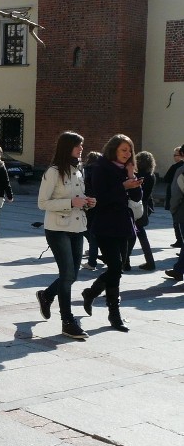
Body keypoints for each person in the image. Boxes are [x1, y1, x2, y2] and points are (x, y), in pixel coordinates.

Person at [35, 132, 96, 339]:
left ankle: (46, 295)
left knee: (72, 275)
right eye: (78, 146)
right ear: (66, 147)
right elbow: (42, 203)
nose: (81, 149)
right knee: (68, 274)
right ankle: (68, 321)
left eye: (82, 145)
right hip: (57, 228)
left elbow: (77, 198)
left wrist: (86, 202)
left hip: (77, 228)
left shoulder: (79, 171)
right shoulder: (53, 172)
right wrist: (71, 203)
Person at [81, 134, 142, 332]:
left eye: (130, 150)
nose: (127, 153)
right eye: (123, 150)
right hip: (105, 224)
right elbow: (100, 197)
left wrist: (132, 176)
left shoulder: (127, 169)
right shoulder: (101, 167)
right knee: (115, 267)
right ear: (113, 149)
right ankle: (114, 315)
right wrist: (123, 185)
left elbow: (136, 196)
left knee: (119, 268)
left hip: (123, 224)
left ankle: (91, 293)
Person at [129, 151, 157, 271]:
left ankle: (125, 261)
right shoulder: (151, 175)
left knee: (131, 234)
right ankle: (150, 261)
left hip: (135, 206)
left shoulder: (138, 176)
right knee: (140, 234)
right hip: (144, 206)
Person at [82, 151, 102, 271]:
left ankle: (92, 261)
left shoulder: (86, 170)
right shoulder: (102, 172)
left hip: (89, 202)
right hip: (100, 203)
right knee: (94, 231)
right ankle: (93, 251)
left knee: (88, 230)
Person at [165, 159, 184, 282]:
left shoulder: (181, 170)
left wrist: (173, 209)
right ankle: (178, 270)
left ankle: (178, 270)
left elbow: (176, 193)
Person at [163, 146, 183, 248]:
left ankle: (179, 240)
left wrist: (173, 206)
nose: (174, 157)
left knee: (176, 221)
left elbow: (166, 179)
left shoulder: (177, 168)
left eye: (176, 155)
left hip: (177, 199)